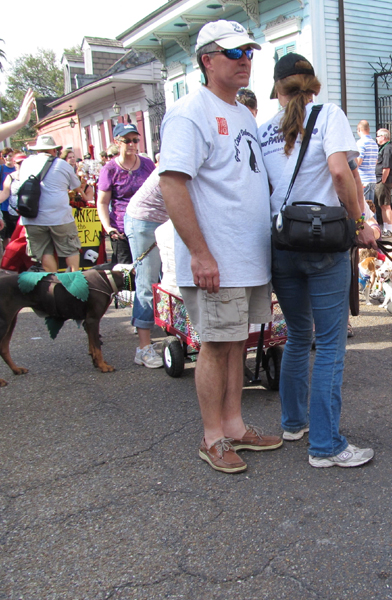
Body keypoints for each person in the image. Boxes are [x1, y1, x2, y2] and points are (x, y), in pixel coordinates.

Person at [160, 20, 282, 474]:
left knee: (236, 344)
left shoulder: (242, 113)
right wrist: (200, 253)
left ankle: (234, 426)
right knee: (215, 345)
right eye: (234, 53)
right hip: (217, 258)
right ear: (207, 60)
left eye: (248, 52)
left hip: (246, 258)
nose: (244, 60)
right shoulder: (189, 112)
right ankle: (212, 437)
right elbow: (172, 184)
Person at [259, 51, 376, 468]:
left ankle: (294, 424)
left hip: (282, 243)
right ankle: (326, 446)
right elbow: (340, 172)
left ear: (277, 89)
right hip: (324, 243)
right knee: (329, 344)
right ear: (314, 86)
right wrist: (360, 222)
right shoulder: (328, 115)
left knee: (297, 335)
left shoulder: (263, 130)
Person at [16, 135, 84, 272]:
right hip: (59, 216)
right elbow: (76, 186)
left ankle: (54, 281)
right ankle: (74, 279)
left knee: (44, 252)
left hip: (33, 216)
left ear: (37, 150)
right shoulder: (62, 164)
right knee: (70, 250)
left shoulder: (26, 163)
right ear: (54, 150)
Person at [124, 166, 168, 369]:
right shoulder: (178, 160)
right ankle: (143, 349)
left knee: (170, 282)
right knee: (147, 283)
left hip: (167, 219)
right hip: (145, 220)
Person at [97, 123, 156, 264]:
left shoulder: (147, 164)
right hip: (121, 230)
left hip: (147, 226)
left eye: (135, 140)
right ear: (117, 142)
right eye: (127, 141)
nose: (132, 144)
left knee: (150, 268)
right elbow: (103, 202)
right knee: (127, 271)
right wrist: (108, 228)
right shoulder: (110, 169)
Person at [374, 128, 392, 234]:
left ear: (383, 137)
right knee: (382, 205)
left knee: (386, 205)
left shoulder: (387, 149)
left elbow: (386, 167)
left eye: (378, 136)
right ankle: (385, 227)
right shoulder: (383, 148)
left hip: (384, 181)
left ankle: (390, 228)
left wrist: (383, 180)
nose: (376, 138)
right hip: (380, 180)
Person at [356, 120, 378, 209]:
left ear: (359, 129)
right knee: (371, 207)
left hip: (363, 180)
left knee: (363, 208)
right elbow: (376, 161)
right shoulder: (374, 143)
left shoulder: (361, 143)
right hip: (372, 179)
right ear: (368, 129)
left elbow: (358, 161)